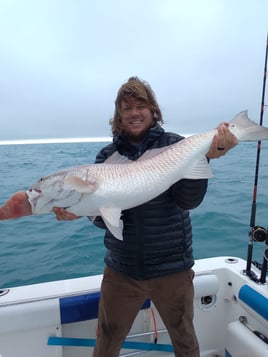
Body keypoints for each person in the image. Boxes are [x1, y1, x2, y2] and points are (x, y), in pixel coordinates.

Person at [53, 77, 238, 357]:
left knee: (185, 340)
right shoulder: (107, 157)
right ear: (118, 116)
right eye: (126, 108)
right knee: (106, 342)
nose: (134, 113)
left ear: (153, 111)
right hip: (121, 270)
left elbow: (188, 201)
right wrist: (79, 211)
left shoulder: (176, 145)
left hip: (171, 268)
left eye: (141, 105)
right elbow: (104, 218)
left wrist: (207, 157)